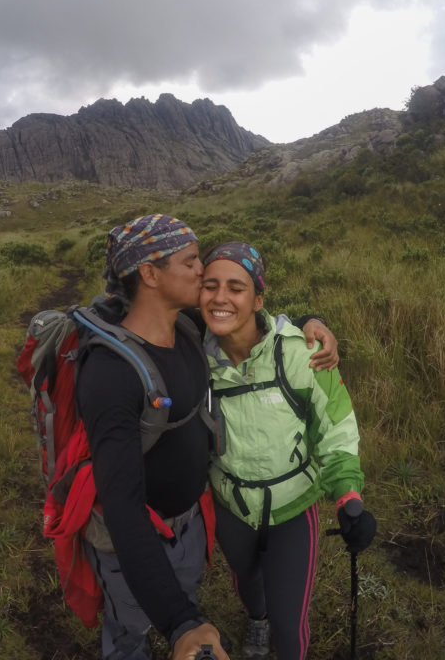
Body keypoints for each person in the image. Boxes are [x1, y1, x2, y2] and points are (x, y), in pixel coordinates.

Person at [76, 215, 338, 660]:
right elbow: (123, 508)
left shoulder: (186, 326)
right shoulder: (109, 374)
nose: (203, 270)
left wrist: (310, 322)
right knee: (130, 633)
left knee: (183, 597)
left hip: (190, 527)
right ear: (150, 274)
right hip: (133, 542)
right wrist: (179, 625)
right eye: (193, 260)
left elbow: (246, 316)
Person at [198, 241, 375, 659]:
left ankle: (272, 628)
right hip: (230, 505)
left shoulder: (301, 353)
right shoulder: (190, 358)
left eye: (236, 287)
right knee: (246, 580)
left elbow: (337, 425)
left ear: (258, 298)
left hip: (294, 508)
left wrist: (348, 495)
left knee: (290, 630)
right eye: (210, 285)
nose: (221, 297)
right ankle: (255, 619)